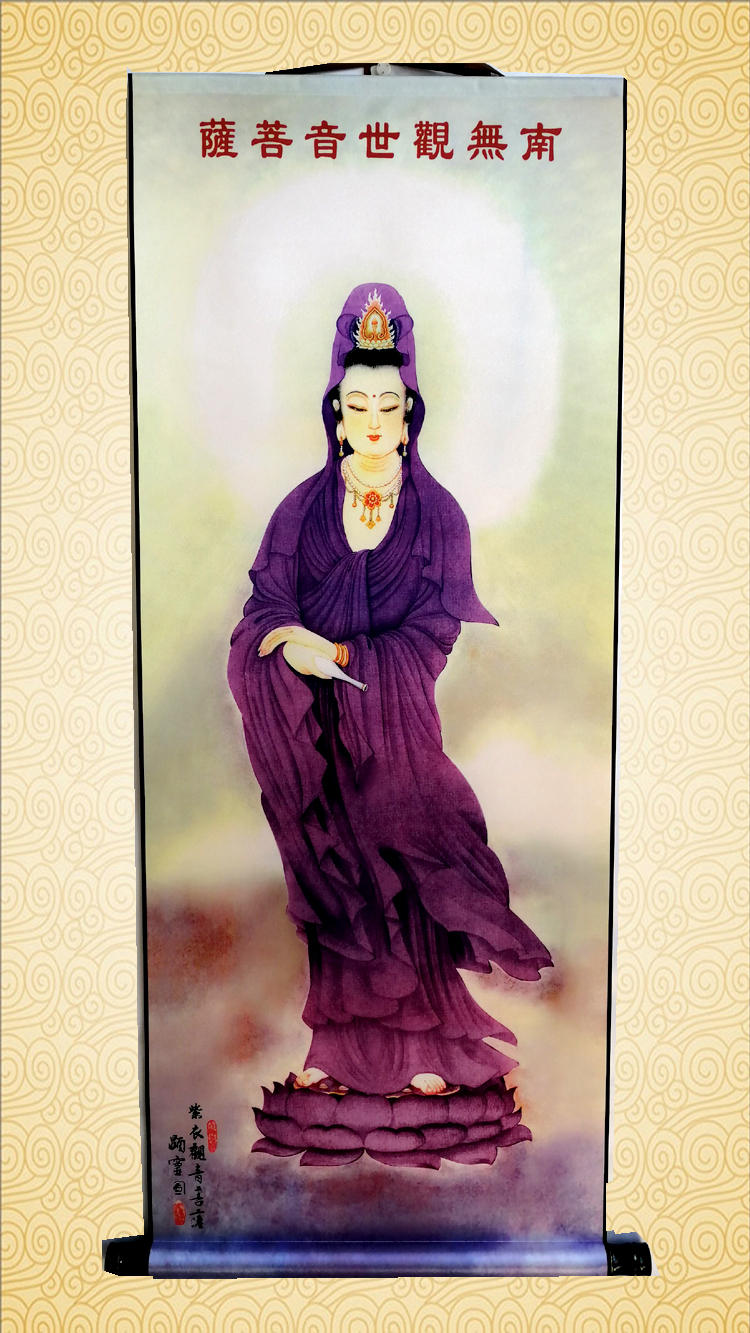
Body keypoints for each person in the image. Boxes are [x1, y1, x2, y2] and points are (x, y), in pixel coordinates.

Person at [227, 283, 552, 1099]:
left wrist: (339, 651)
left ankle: (432, 1045)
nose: (373, 422)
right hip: (316, 737)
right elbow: (264, 608)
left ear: (411, 418)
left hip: (395, 731)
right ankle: (338, 1049)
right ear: (336, 416)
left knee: (406, 874)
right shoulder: (300, 514)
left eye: (389, 406)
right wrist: (284, 642)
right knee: (339, 890)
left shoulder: (437, 516)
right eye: (358, 405)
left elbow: (434, 632)